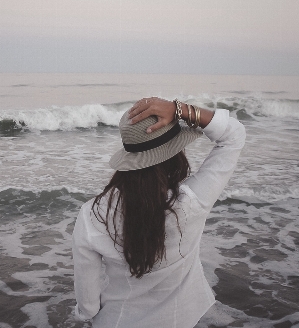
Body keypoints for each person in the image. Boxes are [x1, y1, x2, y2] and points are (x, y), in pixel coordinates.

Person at [72, 97, 246, 328]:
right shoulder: (193, 200)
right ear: (176, 154)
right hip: (180, 320)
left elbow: (89, 304)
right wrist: (179, 109)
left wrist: (83, 316)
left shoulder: (92, 215)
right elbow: (233, 135)